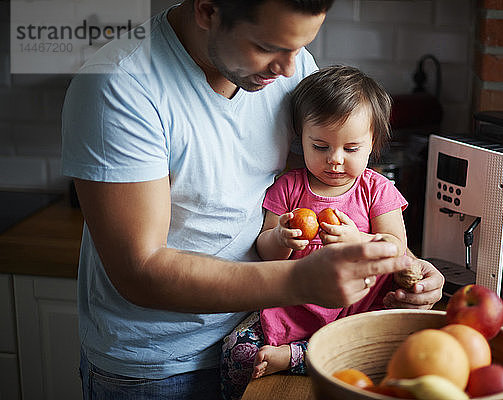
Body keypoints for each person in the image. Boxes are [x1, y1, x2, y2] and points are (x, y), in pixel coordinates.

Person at [61, 0, 444, 399]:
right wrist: (300, 281)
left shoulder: (285, 68)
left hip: (271, 334)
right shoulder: (118, 87)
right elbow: (139, 271)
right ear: (208, 11)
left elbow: (318, 194)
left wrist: (404, 265)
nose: (289, 70)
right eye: (266, 47)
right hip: (160, 366)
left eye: (299, 47)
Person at [220, 65, 413, 399]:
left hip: (358, 310)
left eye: (351, 149)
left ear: (373, 144)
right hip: (298, 308)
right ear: (300, 138)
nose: (335, 160)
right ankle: (302, 353)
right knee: (238, 351)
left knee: (387, 353)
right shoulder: (288, 187)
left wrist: (360, 241)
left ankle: (294, 357)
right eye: (320, 146)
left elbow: (396, 249)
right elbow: (265, 249)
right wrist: (281, 238)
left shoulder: (377, 189)